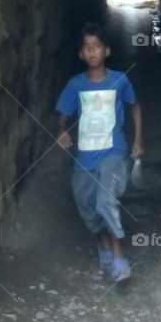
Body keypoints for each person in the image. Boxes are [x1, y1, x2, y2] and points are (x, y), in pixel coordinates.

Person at [55, 22, 143, 282]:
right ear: (81, 54)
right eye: (87, 48)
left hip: (113, 151)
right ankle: (103, 241)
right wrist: (62, 130)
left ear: (107, 51)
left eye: (97, 47)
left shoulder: (119, 80)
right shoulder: (75, 85)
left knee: (106, 200)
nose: (92, 52)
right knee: (87, 205)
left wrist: (138, 138)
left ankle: (119, 256)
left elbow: (134, 105)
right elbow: (62, 113)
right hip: (85, 155)